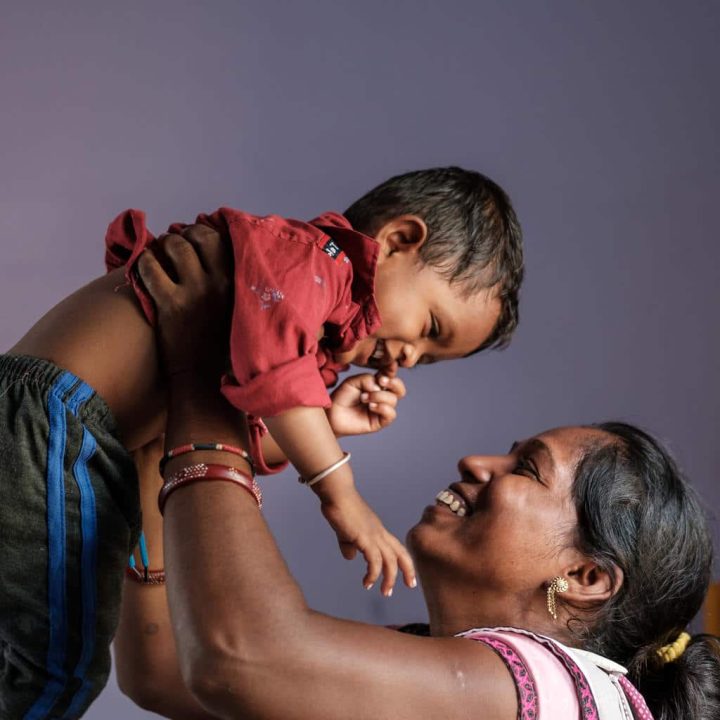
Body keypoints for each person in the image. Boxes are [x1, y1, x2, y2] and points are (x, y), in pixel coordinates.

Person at [114, 233, 720, 720]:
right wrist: (157, 439)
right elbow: (165, 671)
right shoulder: (446, 665)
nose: (476, 463)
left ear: (585, 576)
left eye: (526, 469)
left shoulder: (562, 689)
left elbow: (240, 659)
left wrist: (203, 375)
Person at [0, 167, 522, 719]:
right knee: (57, 668)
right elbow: (274, 374)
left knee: (51, 644)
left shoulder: (289, 322)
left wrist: (329, 422)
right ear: (398, 241)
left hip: (70, 438)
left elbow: (228, 427)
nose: (412, 357)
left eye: (432, 360)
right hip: (53, 423)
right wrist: (342, 492)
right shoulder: (304, 259)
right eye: (431, 327)